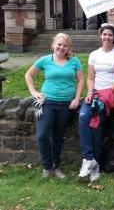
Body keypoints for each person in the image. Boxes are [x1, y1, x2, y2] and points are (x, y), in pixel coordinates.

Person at [25, 33, 84, 178]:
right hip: (48, 102)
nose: (62, 47)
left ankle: (56, 167)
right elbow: (28, 75)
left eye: (65, 45)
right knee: (42, 135)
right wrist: (33, 91)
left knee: (57, 136)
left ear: (68, 47)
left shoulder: (74, 61)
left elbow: (81, 80)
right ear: (53, 45)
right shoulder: (45, 60)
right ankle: (47, 166)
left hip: (66, 104)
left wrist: (76, 99)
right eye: (59, 44)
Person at [78, 24, 114, 182]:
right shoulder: (94, 54)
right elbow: (91, 78)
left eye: (110, 35)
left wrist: (106, 93)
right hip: (95, 92)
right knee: (84, 117)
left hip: (109, 94)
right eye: (104, 34)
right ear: (101, 36)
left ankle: (95, 162)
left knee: (96, 122)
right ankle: (89, 160)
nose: (107, 37)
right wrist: (90, 93)